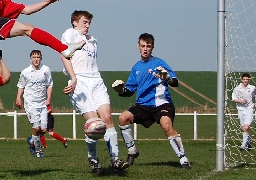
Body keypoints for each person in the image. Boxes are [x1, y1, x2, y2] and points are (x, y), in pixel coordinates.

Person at [61, 10, 129, 174]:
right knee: (94, 124)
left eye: (89, 22)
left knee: (107, 118)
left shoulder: (93, 41)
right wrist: (74, 78)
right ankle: (94, 160)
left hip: (96, 81)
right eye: (85, 22)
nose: (87, 25)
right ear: (75, 22)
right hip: (80, 82)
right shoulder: (70, 34)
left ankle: (116, 160)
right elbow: (64, 55)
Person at [111, 33, 192, 169]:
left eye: (148, 46)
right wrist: (120, 90)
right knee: (123, 118)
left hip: (162, 104)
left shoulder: (159, 63)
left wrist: (168, 78)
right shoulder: (136, 67)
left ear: (152, 47)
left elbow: (175, 82)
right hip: (143, 105)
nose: (145, 48)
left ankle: (183, 158)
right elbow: (130, 90)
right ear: (138, 47)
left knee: (166, 126)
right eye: (143, 46)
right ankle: (132, 151)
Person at [16, 50, 54, 158]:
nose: (36, 59)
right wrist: (18, 98)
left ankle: (32, 140)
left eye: (38, 57)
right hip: (30, 104)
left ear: (41, 58)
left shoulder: (46, 70)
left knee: (43, 130)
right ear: (31, 59)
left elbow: (50, 85)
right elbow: (21, 86)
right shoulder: (25, 72)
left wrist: (49, 99)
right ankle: (38, 151)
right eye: (34, 57)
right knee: (37, 128)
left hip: (42, 104)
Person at [231, 73, 256, 151]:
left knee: (247, 127)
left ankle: (243, 145)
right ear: (242, 79)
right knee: (244, 128)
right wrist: (241, 101)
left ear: (249, 80)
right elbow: (234, 99)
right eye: (244, 79)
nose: (245, 81)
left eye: (247, 79)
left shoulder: (252, 88)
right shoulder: (237, 88)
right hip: (241, 109)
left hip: (250, 109)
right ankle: (249, 141)